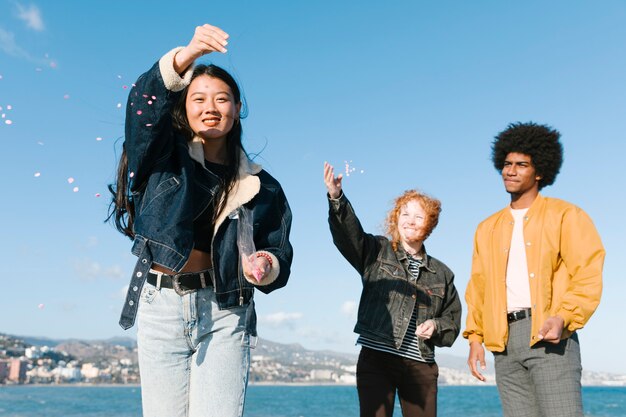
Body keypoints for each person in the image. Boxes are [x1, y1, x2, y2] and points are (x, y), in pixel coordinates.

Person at [107, 24, 293, 417]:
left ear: (238, 108)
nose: (211, 107)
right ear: (183, 106)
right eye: (199, 98)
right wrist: (185, 56)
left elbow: (279, 249)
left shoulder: (263, 186)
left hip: (226, 308)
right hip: (161, 305)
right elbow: (141, 106)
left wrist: (266, 264)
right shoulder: (160, 156)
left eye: (222, 98)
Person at [463, 122, 604, 417]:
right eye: (506, 164)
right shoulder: (486, 228)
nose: (510, 170)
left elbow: (587, 274)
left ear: (539, 171)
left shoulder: (566, 215)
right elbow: (479, 286)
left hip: (549, 335)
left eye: (521, 165)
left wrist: (564, 317)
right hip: (502, 341)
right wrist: (475, 337)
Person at [323, 162, 461, 417]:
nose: (410, 220)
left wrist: (436, 326)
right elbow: (349, 235)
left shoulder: (443, 274)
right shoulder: (377, 251)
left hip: (421, 365)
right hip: (376, 359)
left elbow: (452, 323)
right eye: (405, 214)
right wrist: (336, 197)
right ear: (395, 218)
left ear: (429, 225)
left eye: (419, 216)